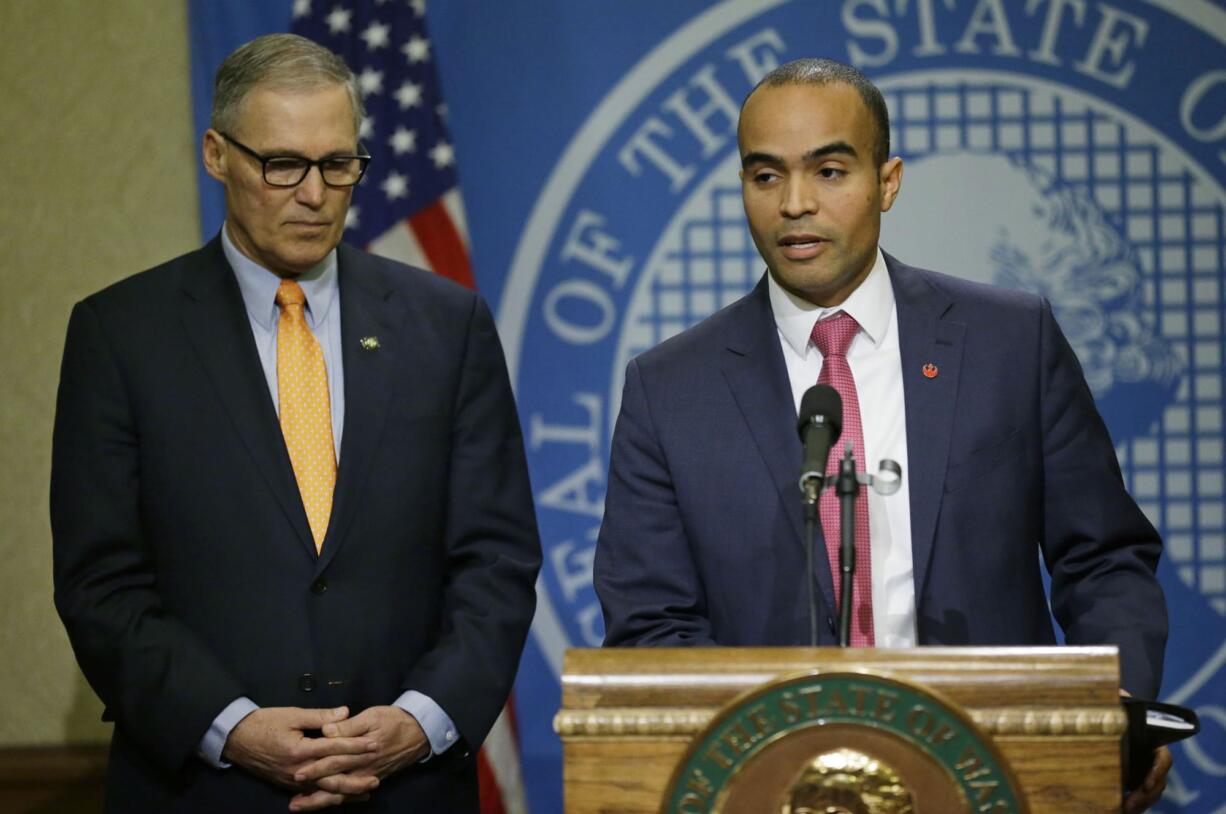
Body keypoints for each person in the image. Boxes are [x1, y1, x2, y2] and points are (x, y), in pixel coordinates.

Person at [593, 58, 1170, 811]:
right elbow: (650, 624)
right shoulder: (670, 387)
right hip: (774, 786)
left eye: (829, 171)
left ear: (887, 181)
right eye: (764, 177)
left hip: (994, 773)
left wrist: (1107, 716)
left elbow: (1103, 558)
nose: (795, 204)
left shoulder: (1008, 341)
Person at [51, 34, 540, 812]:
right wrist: (231, 727)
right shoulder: (122, 336)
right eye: (282, 164)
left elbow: (497, 562)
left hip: (407, 787)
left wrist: (419, 722)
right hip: (201, 789)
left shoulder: (448, 326)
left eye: (337, 164)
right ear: (217, 154)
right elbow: (100, 584)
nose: (313, 194)